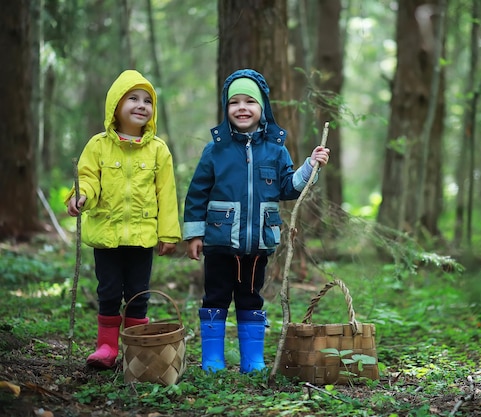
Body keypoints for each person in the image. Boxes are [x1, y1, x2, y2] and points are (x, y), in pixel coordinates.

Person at [183, 69, 330, 373]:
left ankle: (252, 360)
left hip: (257, 243)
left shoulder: (275, 150)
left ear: (263, 107)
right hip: (219, 242)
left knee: (251, 299)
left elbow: (288, 187)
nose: (241, 107)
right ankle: (212, 359)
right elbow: (197, 192)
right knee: (215, 298)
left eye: (250, 101)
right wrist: (195, 234)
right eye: (234, 102)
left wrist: (310, 166)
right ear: (226, 108)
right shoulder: (216, 149)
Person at [66, 69, 182, 369]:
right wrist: (81, 196)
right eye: (133, 98)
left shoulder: (158, 150)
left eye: (148, 100)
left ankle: (136, 347)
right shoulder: (98, 145)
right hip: (107, 233)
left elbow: (166, 194)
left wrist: (168, 234)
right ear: (115, 105)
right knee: (108, 290)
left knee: (138, 294)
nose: (142, 105)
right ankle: (106, 346)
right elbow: (88, 178)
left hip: (142, 236)